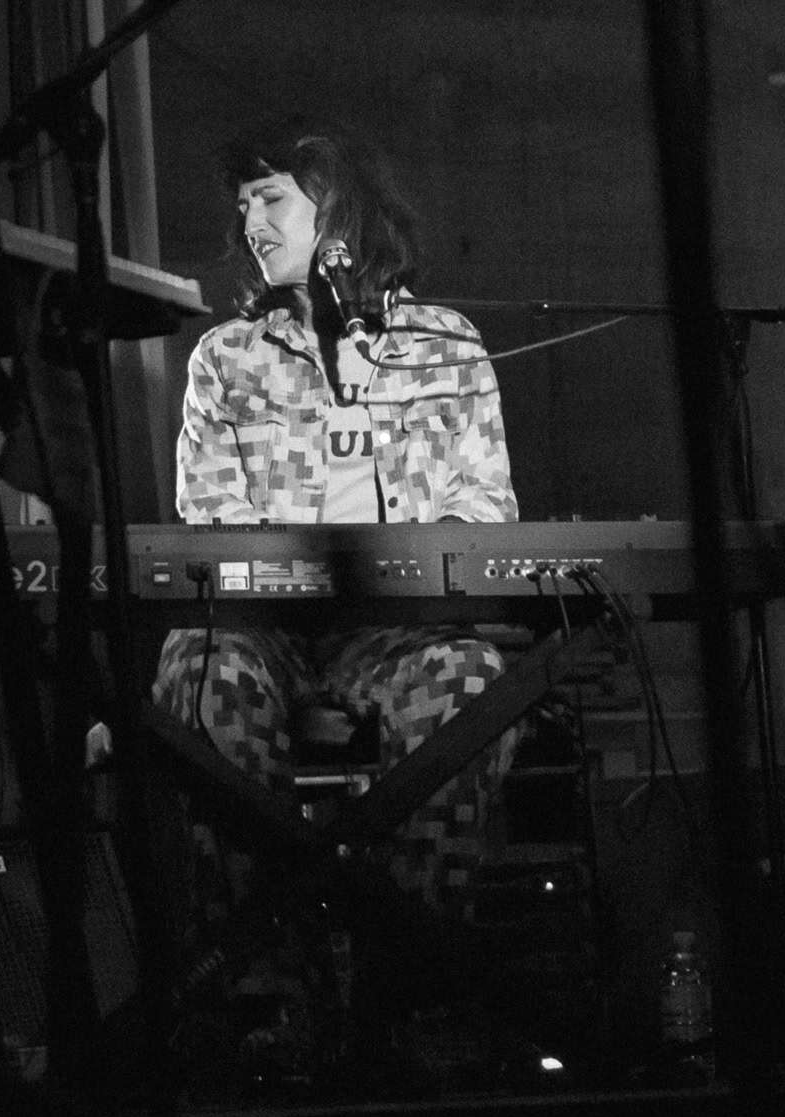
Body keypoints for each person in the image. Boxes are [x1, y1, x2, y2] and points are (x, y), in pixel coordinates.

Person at [150, 119, 521, 914]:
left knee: (470, 679)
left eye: (270, 199)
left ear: (339, 208)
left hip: (397, 633)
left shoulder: (447, 346)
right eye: (243, 207)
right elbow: (210, 517)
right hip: (265, 633)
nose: (251, 225)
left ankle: (408, 952)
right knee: (202, 670)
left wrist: (404, 573)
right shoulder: (227, 358)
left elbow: (485, 507)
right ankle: (262, 964)